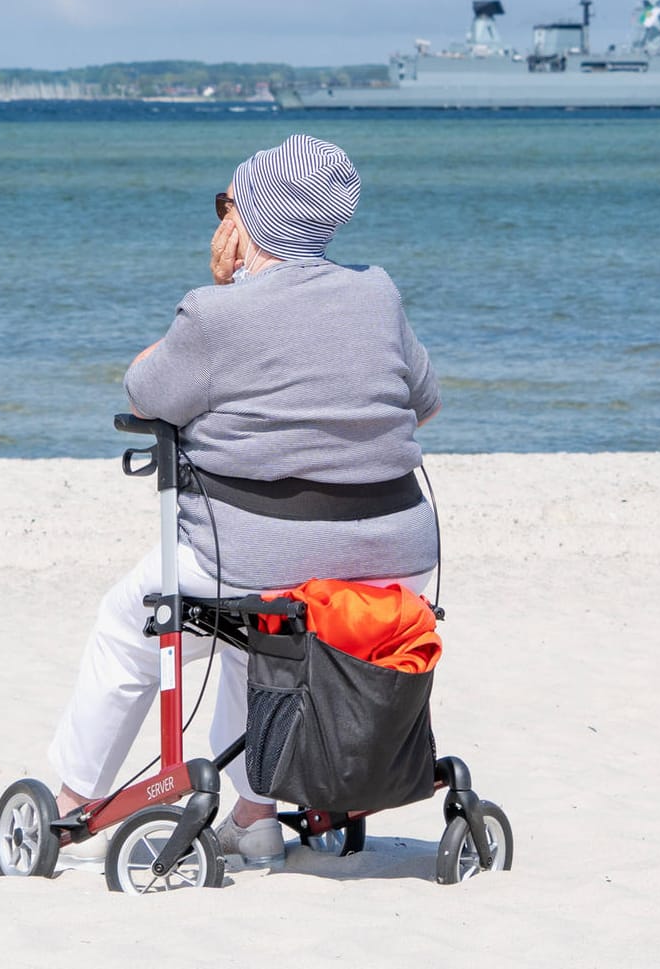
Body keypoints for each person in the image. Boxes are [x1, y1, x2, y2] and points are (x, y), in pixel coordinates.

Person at [48, 134, 441, 864]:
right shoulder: (376, 292)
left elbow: (147, 391)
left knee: (127, 627)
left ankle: (71, 804)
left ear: (251, 215)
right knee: (259, 638)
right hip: (397, 555)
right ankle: (254, 813)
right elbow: (423, 401)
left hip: (261, 558)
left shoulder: (214, 314)